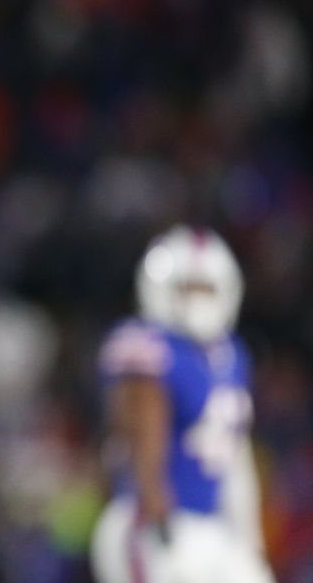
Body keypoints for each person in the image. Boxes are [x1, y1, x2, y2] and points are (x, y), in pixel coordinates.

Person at [91, 225, 275, 583]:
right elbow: (142, 442)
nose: (197, 301)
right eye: (186, 289)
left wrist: (249, 537)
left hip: (209, 527)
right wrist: (161, 524)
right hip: (150, 520)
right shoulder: (146, 346)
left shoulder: (231, 355)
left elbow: (235, 453)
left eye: (205, 288)